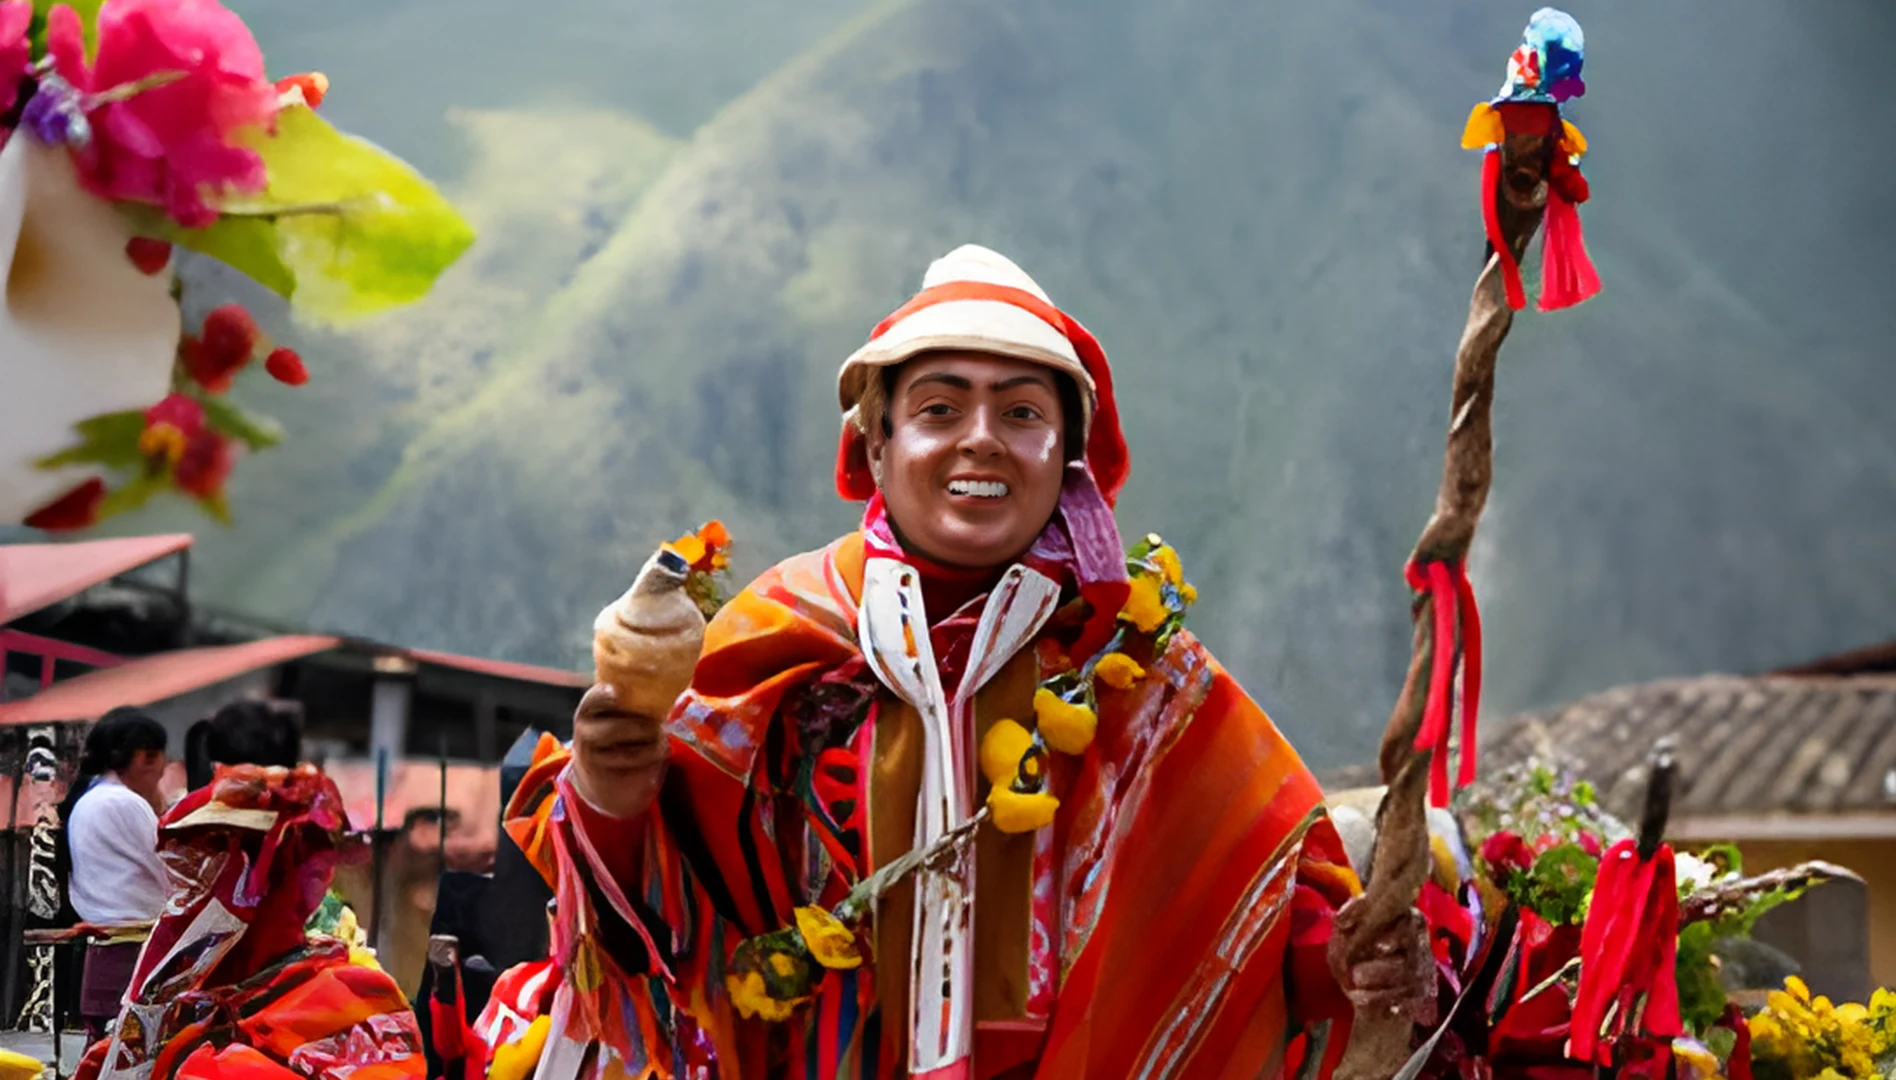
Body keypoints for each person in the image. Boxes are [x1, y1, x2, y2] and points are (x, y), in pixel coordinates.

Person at [497, 245, 1427, 1079]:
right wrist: (612, 792)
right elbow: (664, 910)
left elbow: (1255, 903)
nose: (980, 437)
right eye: (939, 408)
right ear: (877, 439)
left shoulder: (1135, 669)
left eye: (1021, 412)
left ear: (1065, 456)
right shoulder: (778, 636)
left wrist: (1345, 957)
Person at [72, 763, 427, 1080]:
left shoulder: (356, 994)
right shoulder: (187, 995)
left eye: (217, 865)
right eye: (191, 868)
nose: (193, 893)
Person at [58, 707, 172, 1042]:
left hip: (110, 948)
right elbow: (172, 872)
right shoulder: (123, 803)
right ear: (143, 758)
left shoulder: (91, 799)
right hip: (133, 953)